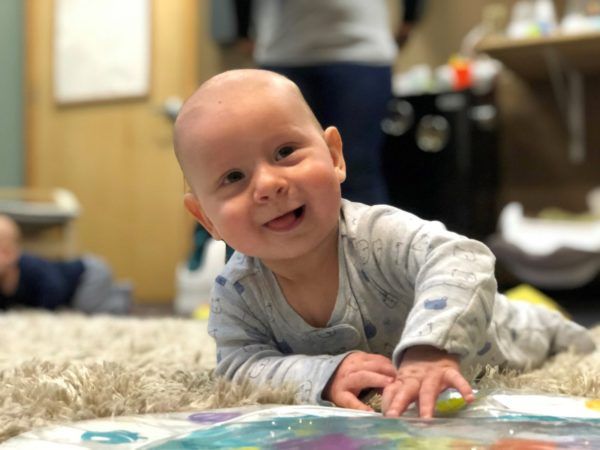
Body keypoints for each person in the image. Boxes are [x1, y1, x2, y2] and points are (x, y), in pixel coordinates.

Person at [173, 69, 595, 418]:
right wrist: (323, 373)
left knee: (563, 336)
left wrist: (431, 350)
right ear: (206, 218)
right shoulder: (237, 291)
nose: (268, 184)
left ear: (335, 156)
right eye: (233, 178)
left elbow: (462, 258)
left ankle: (544, 310)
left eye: (285, 151)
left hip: (492, 332)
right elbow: (238, 369)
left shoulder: (376, 235)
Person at [230, 0, 425, 205]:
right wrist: (242, 29)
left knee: (356, 170)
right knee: (282, 172)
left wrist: (410, 17)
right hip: (285, 53)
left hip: (360, 53)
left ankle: (368, 238)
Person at [0, 214, 131, 314]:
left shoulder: (30, 266)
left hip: (88, 274)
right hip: (79, 285)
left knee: (86, 306)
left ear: (13, 254)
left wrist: (45, 309)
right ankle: (111, 291)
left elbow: (54, 287)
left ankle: (122, 297)